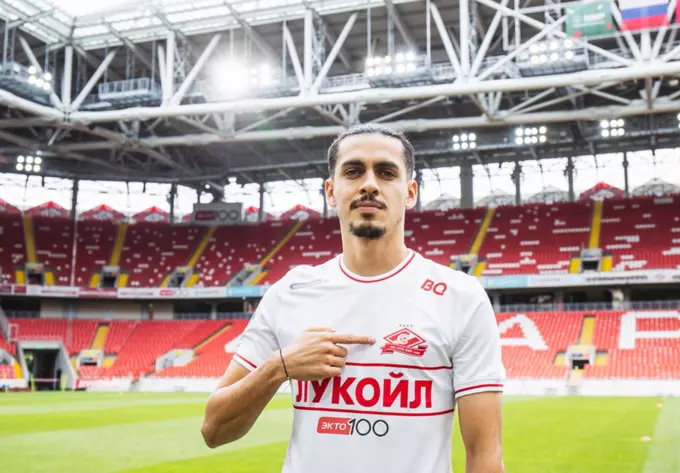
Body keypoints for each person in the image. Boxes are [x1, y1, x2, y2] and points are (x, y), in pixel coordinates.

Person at [201, 123, 506, 473]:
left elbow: (485, 454)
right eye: (353, 171)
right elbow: (214, 429)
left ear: (410, 193)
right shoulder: (288, 293)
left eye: (386, 172)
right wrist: (279, 367)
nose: (369, 184)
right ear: (331, 191)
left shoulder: (460, 297)